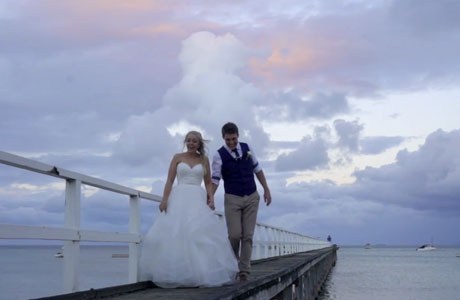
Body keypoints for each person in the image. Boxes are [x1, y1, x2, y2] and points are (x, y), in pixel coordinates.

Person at [139, 131, 238, 288]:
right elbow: (170, 180)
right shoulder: (177, 157)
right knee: (176, 233)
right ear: (186, 142)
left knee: (197, 235)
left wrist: (211, 198)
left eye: (194, 141)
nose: (191, 143)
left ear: (199, 144)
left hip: (197, 198)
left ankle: (199, 274)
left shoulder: (204, 160)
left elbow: (207, 183)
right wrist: (164, 200)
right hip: (179, 197)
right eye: (189, 141)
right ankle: (176, 274)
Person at [211, 122, 271, 282]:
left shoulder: (247, 147)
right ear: (223, 138)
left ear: (238, 136)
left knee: (248, 235)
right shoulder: (218, 155)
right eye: (228, 139)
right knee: (235, 234)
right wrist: (210, 196)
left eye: (234, 139)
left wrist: (266, 189)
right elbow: (215, 179)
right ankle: (231, 266)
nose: (231, 142)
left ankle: (244, 271)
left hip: (251, 195)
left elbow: (257, 169)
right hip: (232, 198)